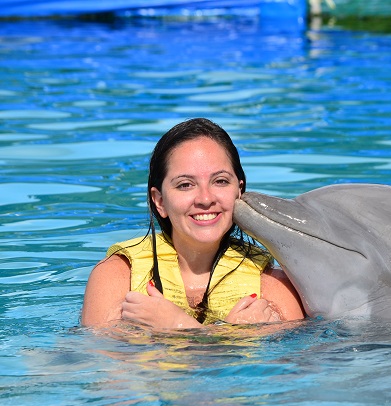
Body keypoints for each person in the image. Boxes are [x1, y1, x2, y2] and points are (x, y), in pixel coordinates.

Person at [82, 118, 305, 330]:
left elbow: (300, 364)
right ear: (159, 201)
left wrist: (177, 327)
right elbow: (99, 361)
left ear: (239, 190)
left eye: (220, 181)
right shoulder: (116, 276)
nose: (205, 199)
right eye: (185, 185)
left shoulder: (275, 286)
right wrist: (236, 336)